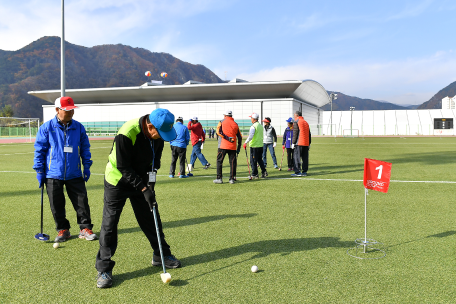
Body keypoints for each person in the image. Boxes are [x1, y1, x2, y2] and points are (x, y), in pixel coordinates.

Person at [95, 108, 182, 289]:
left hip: (141, 180)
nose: (162, 137)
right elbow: (123, 167)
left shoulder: (158, 137)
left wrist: (150, 186)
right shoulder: (127, 133)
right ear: (150, 126)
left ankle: (161, 255)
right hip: (117, 180)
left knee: (151, 217)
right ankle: (104, 268)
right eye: (160, 133)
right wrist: (143, 188)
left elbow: (154, 163)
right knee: (109, 224)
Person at [33, 96, 97, 243]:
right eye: (67, 110)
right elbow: (39, 150)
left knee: (82, 203)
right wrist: (39, 171)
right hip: (52, 173)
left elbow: (85, 148)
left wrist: (86, 166)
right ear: (57, 110)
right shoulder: (47, 128)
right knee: (56, 204)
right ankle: (63, 230)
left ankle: (85, 228)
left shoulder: (79, 127)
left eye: (72, 110)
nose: (70, 113)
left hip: (74, 173)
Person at [213, 110, 242, 184]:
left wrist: (226, 138)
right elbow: (240, 137)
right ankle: (231, 179)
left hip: (223, 145)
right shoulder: (235, 123)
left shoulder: (221, 122)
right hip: (232, 147)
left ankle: (219, 178)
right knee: (232, 163)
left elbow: (218, 132)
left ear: (225, 116)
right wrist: (238, 148)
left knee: (219, 161)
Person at [243, 113, 267, 179]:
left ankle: (254, 174)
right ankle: (264, 171)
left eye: (251, 118)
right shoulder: (260, 126)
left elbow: (251, 136)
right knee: (259, 160)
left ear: (253, 119)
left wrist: (245, 142)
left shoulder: (253, 126)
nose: (250, 119)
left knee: (253, 161)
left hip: (254, 146)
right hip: (260, 145)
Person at [291, 111, 311, 177]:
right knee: (305, 158)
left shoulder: (296, 122)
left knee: (296, 157)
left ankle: (297, 172)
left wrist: (293, 143)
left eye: (294, 116)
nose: (294, 117)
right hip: (306, 143)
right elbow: (309, 134)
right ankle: (304, 172)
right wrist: (309, 143)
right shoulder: (306, 122)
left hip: (299, 143)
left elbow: (295, 133)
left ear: (296, 116)